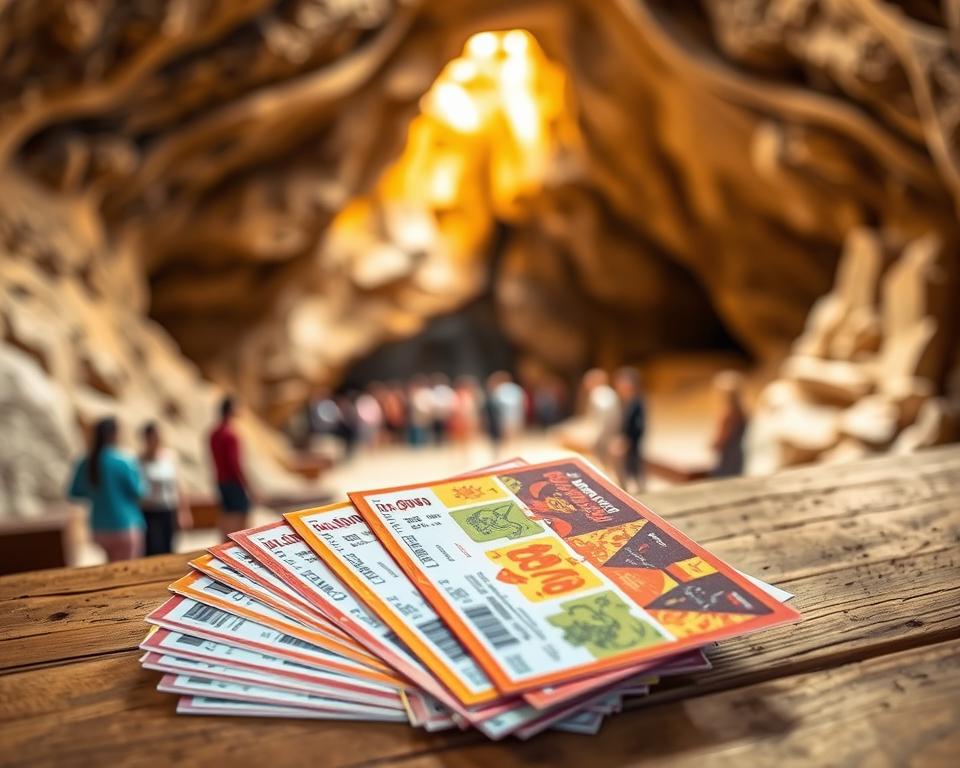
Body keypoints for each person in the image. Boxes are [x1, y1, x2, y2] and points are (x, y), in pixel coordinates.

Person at [68, 417, 145, 562]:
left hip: (99, 527)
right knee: (129, 571)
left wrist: (96, 493)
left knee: (112, 568)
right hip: (125, 524)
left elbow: (74, 493)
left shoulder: (85, 462)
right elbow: (139, 491)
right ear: (113, 435)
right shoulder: (123, 461)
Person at [139, 422, 191, 556]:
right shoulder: (139, 460)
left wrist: (184, 511)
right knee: (151, 550)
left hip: (168, 509)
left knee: (169, 548)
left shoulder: (170, 456)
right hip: (148, 511)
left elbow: (179, 485)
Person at [209, 396, 255, 539]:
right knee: (242, 518)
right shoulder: (230, 435)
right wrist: (247, 485)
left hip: (221, 480)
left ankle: (223, 545)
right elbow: (235, 464)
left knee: (226, 514)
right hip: (233, 481)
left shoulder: (213, 434)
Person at [614, 367, 647, 492]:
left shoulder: (636, 402)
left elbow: (638, 426)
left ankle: (641, 492)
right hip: (627, 442)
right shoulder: (625, 400)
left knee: (635, 470)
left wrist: (627, 441)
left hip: (632, 443)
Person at [582, 368, 621, 473]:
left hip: (604, 434)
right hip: (611, 431)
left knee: (602, 462)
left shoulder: (598, 394)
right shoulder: (610, 392)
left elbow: (603, 419)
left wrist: (596, 438)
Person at [711, 370, 748, 477]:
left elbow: (721, 438)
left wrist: (714, 445)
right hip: (739, 452)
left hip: (728, 454)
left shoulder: (726, 414)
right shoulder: (742, 411)